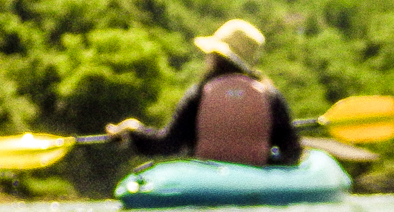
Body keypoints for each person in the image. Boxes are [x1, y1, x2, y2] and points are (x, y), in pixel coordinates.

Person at [106, 19, 303, 166]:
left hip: (204, 183)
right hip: (257, 181)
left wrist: (134, 130)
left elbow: (167, 144)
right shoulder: (270, 96)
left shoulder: (199, 94)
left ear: (216, 57)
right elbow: (292, 151)